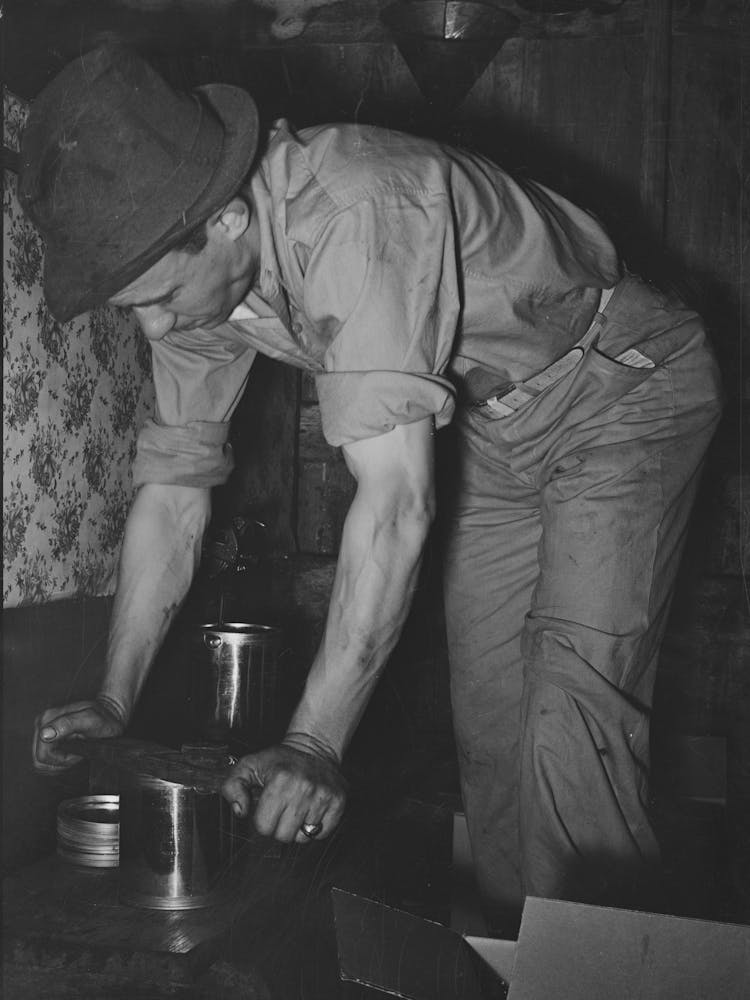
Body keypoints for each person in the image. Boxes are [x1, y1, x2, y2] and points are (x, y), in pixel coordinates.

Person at [21, 44, 721, 930]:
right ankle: (526, 962)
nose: (155, 324)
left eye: (160, 296)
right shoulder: (192, 283)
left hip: (625, 389)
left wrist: (315, 741)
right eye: (136, 307)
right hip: (499, 429)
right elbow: (173, 494)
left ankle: (604, 976)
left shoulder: (357, 207)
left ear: (228, 219)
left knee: (571, 715)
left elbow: (394, 502)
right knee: (495, 716)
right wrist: (114, 697)